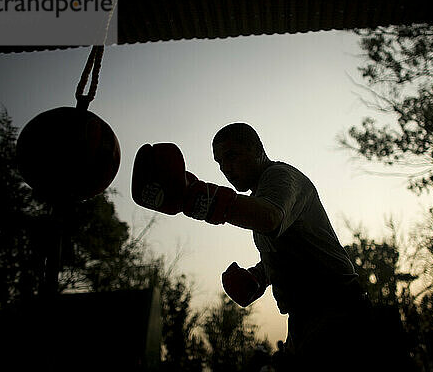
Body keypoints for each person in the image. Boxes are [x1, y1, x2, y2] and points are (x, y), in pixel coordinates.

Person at [131, 122, 378, 369]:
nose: (226, 169)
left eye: (232, 156)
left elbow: (269, 217)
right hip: (307, 318)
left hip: (339, 311)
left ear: (258, 149)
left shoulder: (280, 176)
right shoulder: (259, 198)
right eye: (219, 163)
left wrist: (193, 197)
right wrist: (258, 277)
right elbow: (285, 251)